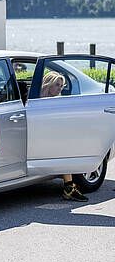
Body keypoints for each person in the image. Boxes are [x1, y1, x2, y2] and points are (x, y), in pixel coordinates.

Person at [41, 71, 88, 202]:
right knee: (64, 147)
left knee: (66, 145)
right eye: (57, 85)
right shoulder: (36, 101)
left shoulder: (59, 101)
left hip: (52, 137)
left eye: (61, 86)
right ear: (47, 84)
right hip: (41, 138)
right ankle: (69, 187)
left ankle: (69, 186)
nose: (59, 89)